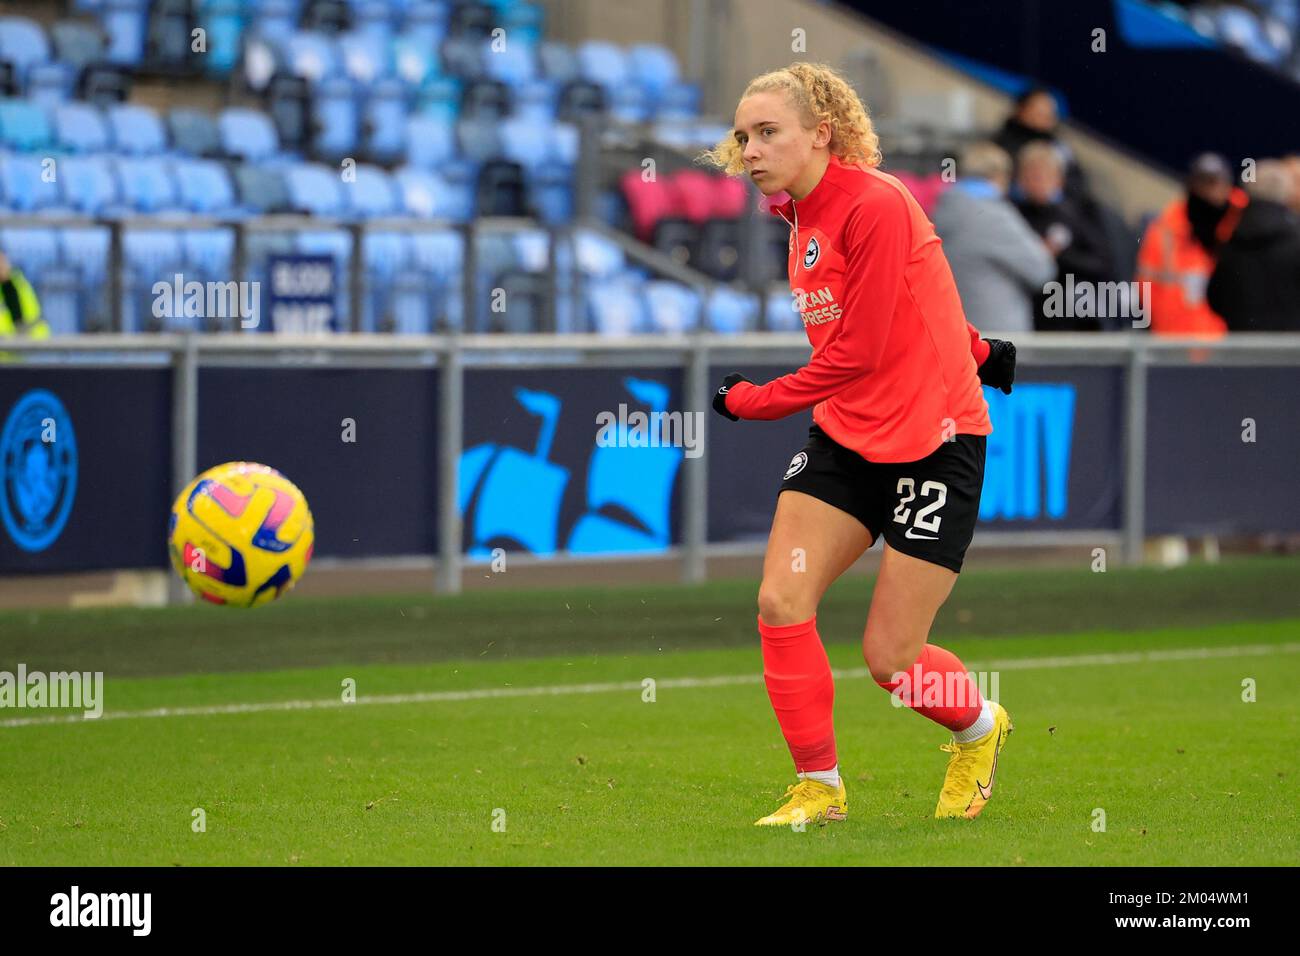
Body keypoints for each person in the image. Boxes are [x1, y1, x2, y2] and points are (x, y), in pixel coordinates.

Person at [700, 62, 1016, 827]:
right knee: (780, 601)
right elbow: (914, 289)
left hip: (935, 443)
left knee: (893, 663)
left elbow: (861, 348)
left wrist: (752, 401)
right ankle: (820, 788)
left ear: (822, 134)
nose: (749, 149)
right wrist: (975, 345)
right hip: (848, 438)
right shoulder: (798, 213)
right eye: (744, 135)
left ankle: (979, 727)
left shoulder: (873, 203)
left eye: (768, 132)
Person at [931, 141, 1056, 333]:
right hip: (997, 338)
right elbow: (1041, 270)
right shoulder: (995, 216)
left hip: (954, 332)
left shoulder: (942, 209)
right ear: (999, 176)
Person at [1136, 153, 1246, 337]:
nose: (1211, 191)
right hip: (1177, 340)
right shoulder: (1167, 228)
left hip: (1229, 343)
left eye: (1215, 182)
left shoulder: (1243, 222)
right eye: (1204, 183)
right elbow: (1146, 287)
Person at [1013, 142, 1116, 331]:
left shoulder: (1074, 216)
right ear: (1021, 179)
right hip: (1023, 314)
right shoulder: (1011, 215)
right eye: (1032, 175)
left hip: (1064, 317)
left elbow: (1101, 264)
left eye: (1044, 175)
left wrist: (1057, 256)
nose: (1038, 181)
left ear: (1058, 180)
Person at [1207, 160, 1300, 331]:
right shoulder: (1295, 239)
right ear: (1286, 193)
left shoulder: (1230, 239)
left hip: (1242, 348)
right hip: (1290, 350)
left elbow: (1215, 298)